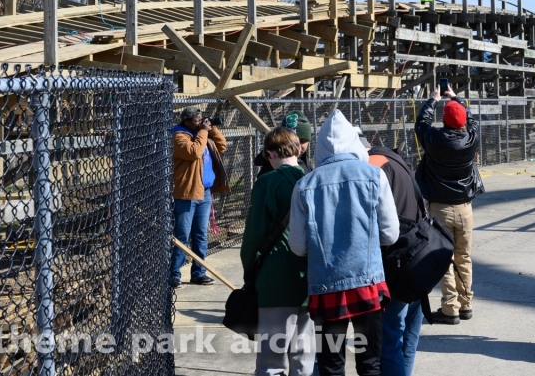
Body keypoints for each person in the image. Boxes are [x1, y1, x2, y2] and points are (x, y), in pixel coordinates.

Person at [288, 110, 399, 376]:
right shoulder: (374, 176)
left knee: (331, 366)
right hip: (368, 283)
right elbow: (390, 235)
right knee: (370, 364)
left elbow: (298, 246)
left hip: (325, 288)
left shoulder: (304, 185)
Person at [241, 127, 313, 375]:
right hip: (309, 276)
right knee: (303, 354)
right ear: (298, 150)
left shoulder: (267, 182)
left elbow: (254, 235)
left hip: (276, 276)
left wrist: (250, 272)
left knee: (271, 357)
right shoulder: (312, 178)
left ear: (270, 153)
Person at [415, 83, 482, 325]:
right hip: (465, 208)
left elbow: (421, 123)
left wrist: (433, 99)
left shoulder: (434, 139)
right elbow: (473, 120)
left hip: (440, 208)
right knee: (464, 257)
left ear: (444, 121)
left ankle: (450, 308)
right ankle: (466, 304)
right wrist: (457, 99)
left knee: (444, 258)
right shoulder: (471, 139)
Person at [368, 144, 423, 376]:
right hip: (417, 259)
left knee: (389, 339)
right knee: (408, 336)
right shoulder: (399, 162)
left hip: (395, 264)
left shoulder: (374, 165)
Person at [170, 106, 228, 288]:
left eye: (202, 119)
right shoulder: (179, 136)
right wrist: (203, 131)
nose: (201, 123)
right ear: (187, 122)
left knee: (201, 235)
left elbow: (222, 146)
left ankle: (198, 273)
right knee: (182, 235)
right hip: (186, 194)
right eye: (197, 120)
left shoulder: (203, 134)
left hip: (205, 193)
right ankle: (174, 274)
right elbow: (193, 152)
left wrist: (212, 129)